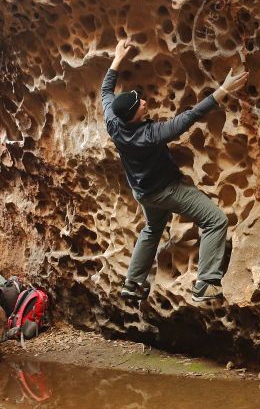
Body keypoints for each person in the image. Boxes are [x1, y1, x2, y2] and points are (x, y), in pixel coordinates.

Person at [99, 39, 248, 302]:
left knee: (152, 229)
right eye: (140, 104)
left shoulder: (114, 121)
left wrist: (117, 59)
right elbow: (188, 118)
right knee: (215, 220)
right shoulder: (150, 135)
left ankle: (132, 284)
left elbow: (105, 92)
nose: (144, 101)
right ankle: (206, 283)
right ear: (134, 117)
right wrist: (222, 90)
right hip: (166, 190)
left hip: (142, 192)